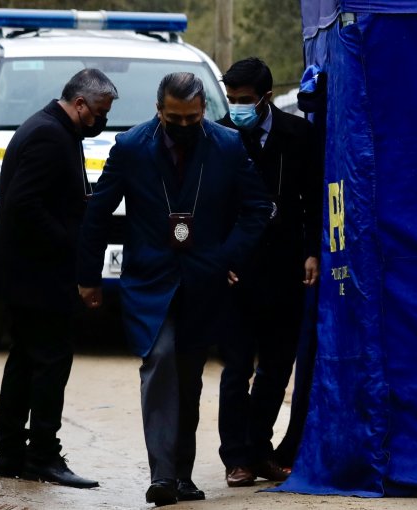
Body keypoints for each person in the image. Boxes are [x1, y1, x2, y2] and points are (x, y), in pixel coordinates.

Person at [76, 72, 272, 506]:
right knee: (159, 359)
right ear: (158, 110)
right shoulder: (130, 148)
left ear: (203, 112)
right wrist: (89, 276)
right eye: (175, 118)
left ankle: (182, 474)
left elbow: (258, 208)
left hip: (206, 279)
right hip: (150, 279)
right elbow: (98, 213)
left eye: (193, 118)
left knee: (189, 376)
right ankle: (162, 475)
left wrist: (228, 256)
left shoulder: (226, 145)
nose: (184, 126)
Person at [0, 68, 117, 489]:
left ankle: (9, 455)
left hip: (28, 274)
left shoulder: (56, 130)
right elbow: (25, 204)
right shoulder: (48, 135)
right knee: (50, 362)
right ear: (79, 105)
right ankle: (41, 454)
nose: (102, 121)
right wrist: (71, 243)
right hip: (36, 277)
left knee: (25, 360)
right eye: (99, 112)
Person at [216, 57, 322, 487]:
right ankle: (236, 457)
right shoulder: (218, 135)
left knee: (276, 368)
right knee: (236, 367)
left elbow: (314, 199)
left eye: (245, 100)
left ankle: (260, 450)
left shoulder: (298, 135)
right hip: (236, 270)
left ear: (264, 97)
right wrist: (219, 259)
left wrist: (313, 252)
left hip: (285, 266)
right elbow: (209, 206)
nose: (238, 107)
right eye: (232, 99)